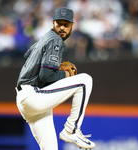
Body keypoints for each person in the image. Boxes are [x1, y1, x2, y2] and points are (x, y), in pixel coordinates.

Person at [15, 7, 96, 150]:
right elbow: (46, 75)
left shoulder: (45, 37)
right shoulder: (56, 39)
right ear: (53, 23)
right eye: (59, 24)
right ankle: (71, 130)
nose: (62, 28)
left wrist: (54, 67)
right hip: (32, 95)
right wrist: (67, 74)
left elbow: (27, 55)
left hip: (26, 99)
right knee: (85, 80)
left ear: (72, 25)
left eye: (66, 24)